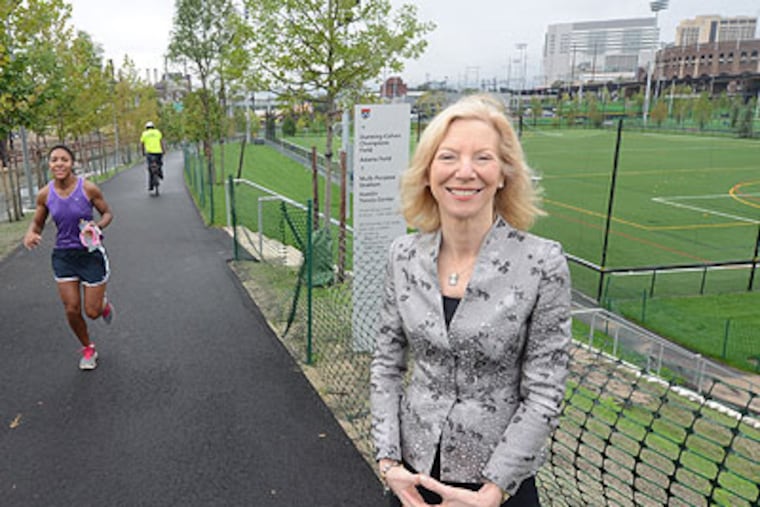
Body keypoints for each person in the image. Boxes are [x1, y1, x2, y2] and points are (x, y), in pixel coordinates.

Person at [370, 94, 572, 507]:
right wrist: (388, 461)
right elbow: (386, 365)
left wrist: (493, 491)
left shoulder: (541, 263)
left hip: (496, 488)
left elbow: (545, 392)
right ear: (428, 172)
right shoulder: (402, 257)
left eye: (482, 158)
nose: (465, 172)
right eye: (448, 157)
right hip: (413, 479)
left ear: (503, 174)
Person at [23, 144, 115, 370]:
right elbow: (38, 221)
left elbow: (108, 213)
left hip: (90, 255)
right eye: (54, 160)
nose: (59, 164)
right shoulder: (45, 193)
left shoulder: (88, 189)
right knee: (72, 309)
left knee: (91, 312)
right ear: (49, 165)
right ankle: (87, 348)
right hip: (63, 256)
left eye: (64, 159)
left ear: (72, 163)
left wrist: (97, 226)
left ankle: (102, 304)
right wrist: (31, 233)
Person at [140, 121, 166, 191]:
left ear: (146, 128)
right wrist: (163, 150)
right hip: (158, 152)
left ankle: (151, 186)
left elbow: (142, 144)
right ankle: (160, 172)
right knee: (160, 163)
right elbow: (161, 141)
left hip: (149, 153)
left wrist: (143, 152)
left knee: (150, 168)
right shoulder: (157, 132)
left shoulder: (144, 134)